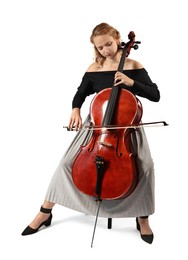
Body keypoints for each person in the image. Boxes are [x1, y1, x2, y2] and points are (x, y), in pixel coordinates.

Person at [21, 22, 160, 244]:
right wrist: (75, 110)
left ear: (117, 38)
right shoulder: (94, 68)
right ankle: (45, 211)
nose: (106, 50)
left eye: (109, 44)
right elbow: (80, 94)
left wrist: (131, 82)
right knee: (67, 163)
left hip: (126, 128)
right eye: (101, 47)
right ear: (95, 48)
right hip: (96, 126)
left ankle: (142, 218)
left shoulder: (133, 64)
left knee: (146, 167)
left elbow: (155, 95)